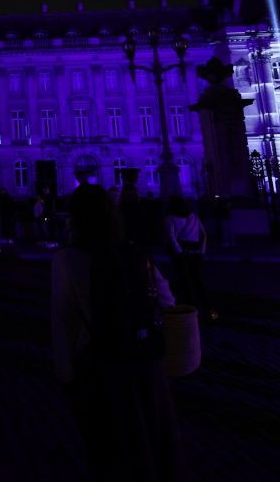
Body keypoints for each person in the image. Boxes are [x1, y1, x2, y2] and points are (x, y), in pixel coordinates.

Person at [52, 183, 185, 481]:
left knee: (111, 447)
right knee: (152, 440)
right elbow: (167, 301)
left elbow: (63, 321)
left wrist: (65, 374)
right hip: (145, 364)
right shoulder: (134, 252)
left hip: (101, 365)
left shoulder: (67, 259)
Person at [166, 195, 216, 321]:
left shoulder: (171, 217)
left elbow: (171, 236)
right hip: (195, 250)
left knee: (184, 277)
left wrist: (178, 250)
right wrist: (202, 250)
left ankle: (189, 304)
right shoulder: (192, 216)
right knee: (197, 276)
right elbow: (203, 233)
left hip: (182, 249)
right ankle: (206, 303)